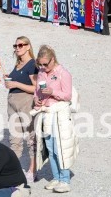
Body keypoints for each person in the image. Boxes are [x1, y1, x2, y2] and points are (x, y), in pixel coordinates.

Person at [32, 46, 75, 193]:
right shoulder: (41, 73)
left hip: (59, 113)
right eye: (40, 64)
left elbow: (67, 95)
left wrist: (52, 92)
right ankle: (56, 177)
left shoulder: (63, 73)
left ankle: (65, 180)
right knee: (50, 147)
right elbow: (37, 92)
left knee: (60, 147)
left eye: (45, 64)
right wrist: (37, 99)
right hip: (46, 113)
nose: (43, 67)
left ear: (53, 59)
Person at [5, 37, 37, 180]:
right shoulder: (18, 64)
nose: (17, 48)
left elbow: (35, 88)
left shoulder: (32, 64)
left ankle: (32, 169)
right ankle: (14, 170)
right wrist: (9, 79)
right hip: (12, 103)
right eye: (15, 45)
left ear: (28, 46)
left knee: (30, 136)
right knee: (14, 137)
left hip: (26, 102)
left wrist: (16, 84)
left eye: (21, 45)